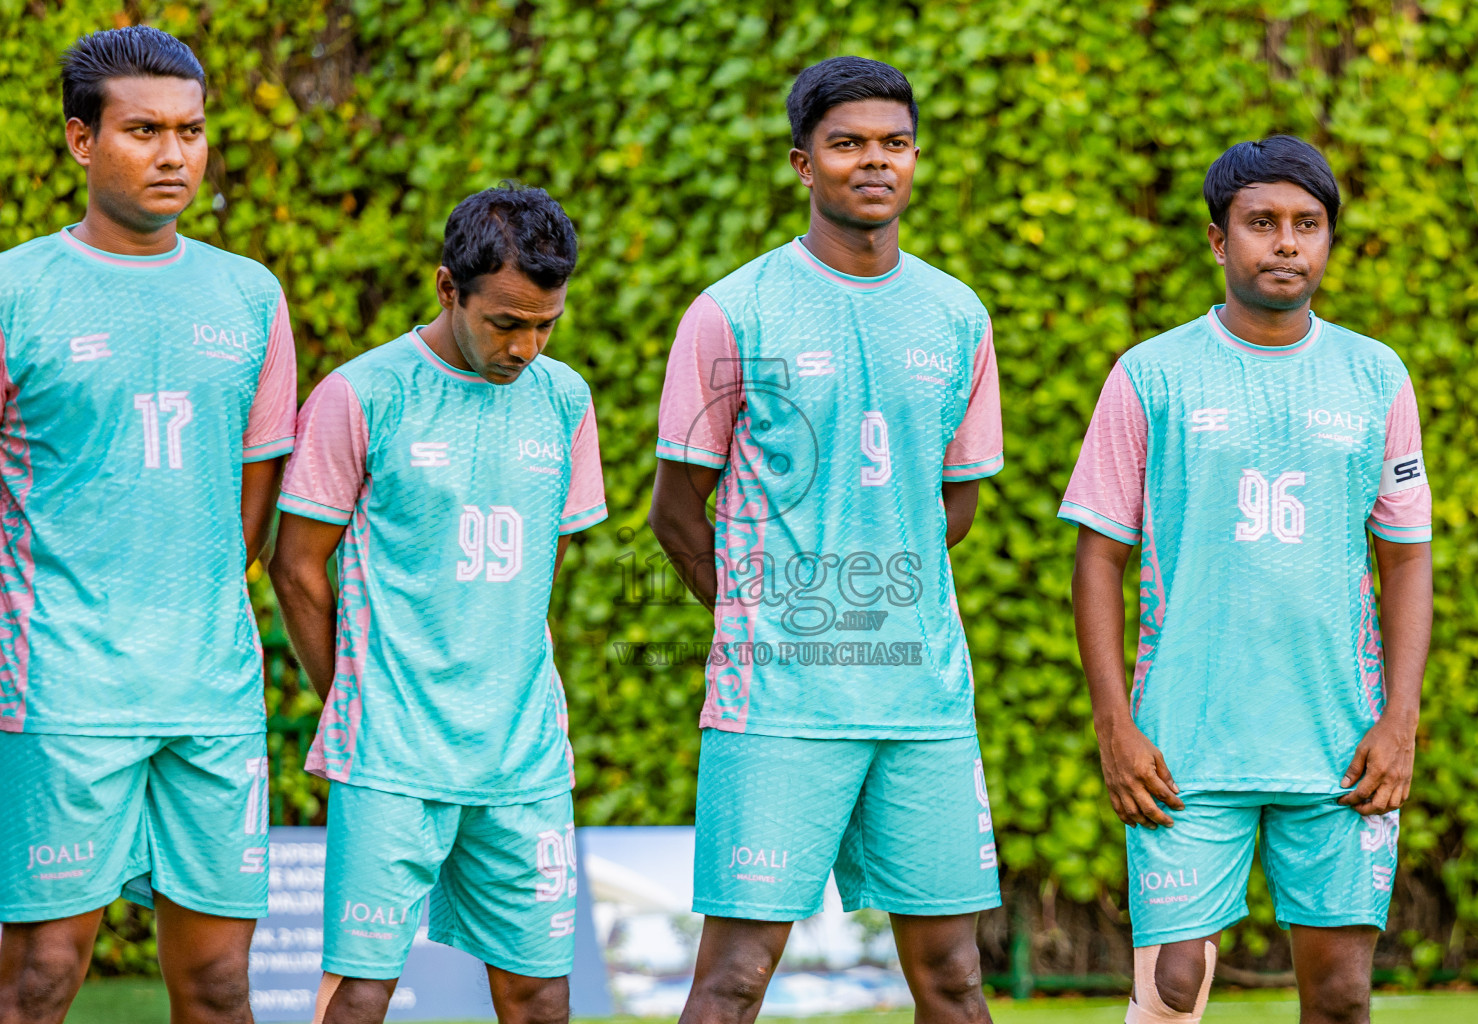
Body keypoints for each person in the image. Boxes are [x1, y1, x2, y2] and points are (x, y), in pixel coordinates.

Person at [649, 56, 1005, 1024]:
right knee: (733, 978)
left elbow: (954, 504)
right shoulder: (734, 310)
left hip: (922, 698)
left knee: (956, 979)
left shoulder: (955, 313)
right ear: (804, 164)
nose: (874, 163)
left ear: (916, 158)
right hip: (779, 701)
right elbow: (677, 509)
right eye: (848, 145)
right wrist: (763, 618)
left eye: (893, 144)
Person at [1060, 135, 1433, 1024]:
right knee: (1173, 991)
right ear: (1219, 241)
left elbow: (1407, 554)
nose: (1287, 244)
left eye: (1308, 225)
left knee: (1342, 998)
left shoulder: (1375, 374)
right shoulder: (1152, 374)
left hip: (1339, 742)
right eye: (1261, 223)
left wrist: (1400, 721)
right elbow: (1098, 557)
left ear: (1330, 241)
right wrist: (1116, 724)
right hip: (1185, 741)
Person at [0, 25, 297, 1024]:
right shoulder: (15, 289)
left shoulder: (249, 295)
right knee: (38, 977)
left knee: (218, 988)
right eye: (143, 131)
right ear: (83, 143)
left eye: (193, 131)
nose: (175, 155)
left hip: (210, 692)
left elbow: (253, 502)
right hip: (60, 688)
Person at [269, 183, 604, 1024]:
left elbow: (540, 569)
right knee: (360, 993)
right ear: (448, 289)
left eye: (545, 324)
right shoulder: (362, 394)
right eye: (506, 322)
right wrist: (353, 698)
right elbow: (297, 568)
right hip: (391, 754)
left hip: (522, 758)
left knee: (539, 994)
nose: (527, 345)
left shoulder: (566, 400)